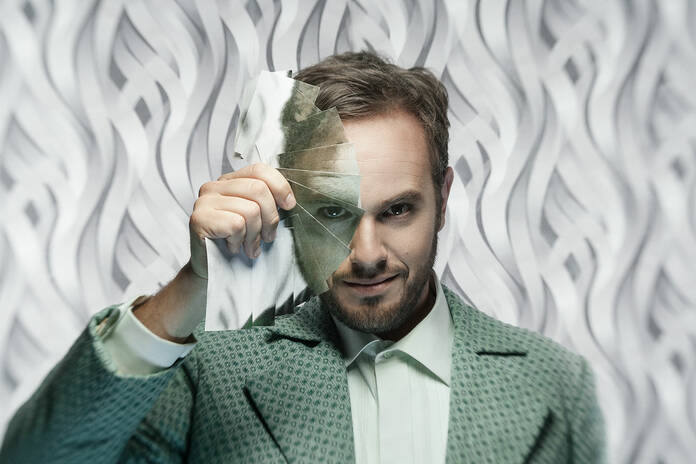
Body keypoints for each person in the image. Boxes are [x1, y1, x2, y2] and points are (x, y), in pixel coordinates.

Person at [0, 51, 606, 463]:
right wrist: (190, 287)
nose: (366, 255)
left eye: (398, 210)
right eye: (333, 213)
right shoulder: (209, 372)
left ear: (442, 199)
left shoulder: (555, 382)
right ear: (288, 206)